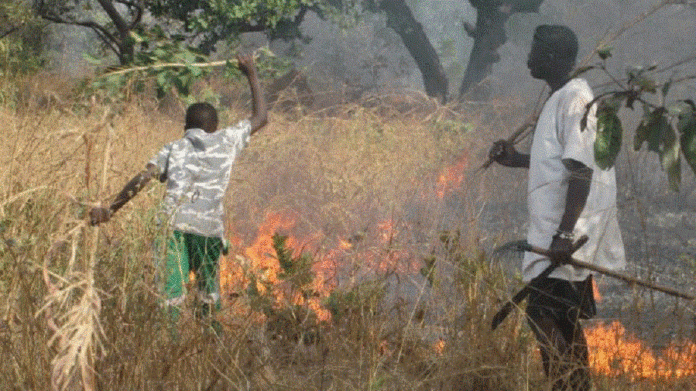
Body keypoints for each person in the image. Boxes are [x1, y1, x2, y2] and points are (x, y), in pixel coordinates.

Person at [488, 25, 625, 390]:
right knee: (564, 321)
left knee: (543, 316)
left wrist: (565, 234)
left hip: (565, 235)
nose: (528, 58)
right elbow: (559, 162)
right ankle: (577, 386)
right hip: (558, 233)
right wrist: (517, 160)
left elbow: (582, 170)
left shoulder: (575, 99)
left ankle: (567, 386)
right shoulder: (561, 97)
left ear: (551, 57)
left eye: (534, 51)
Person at [89, 54, 268, 325]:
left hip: (171, 228)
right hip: (207, 232)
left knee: (170, 297)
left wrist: (110, 210)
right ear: (214, 127)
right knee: (208, 296)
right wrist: (251, 73)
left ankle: (167, 345)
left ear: (186, 127)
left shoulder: (173, 148)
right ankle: (210, 342)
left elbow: (142, 178)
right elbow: (261, 117)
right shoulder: (227, 140)